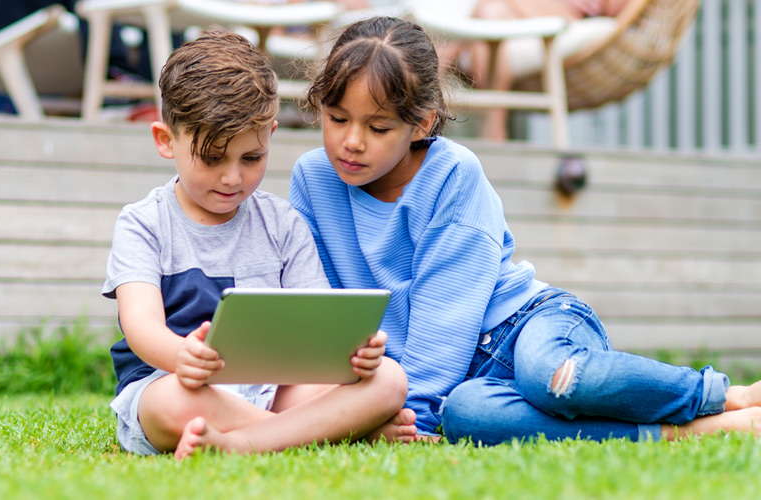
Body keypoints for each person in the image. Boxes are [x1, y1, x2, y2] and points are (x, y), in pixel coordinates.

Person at [288, 15, 761, 445]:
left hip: (527, 325)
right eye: (337, 119)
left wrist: (412, 418)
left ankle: (722, 397)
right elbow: (320, 306)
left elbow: (444, 320)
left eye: (378, 127)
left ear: (421, 124)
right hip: (468, 383)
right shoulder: (312, 180)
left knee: (550, 375)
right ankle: (681, 433)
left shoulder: (452, 174)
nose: (351, 141)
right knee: (470, 418)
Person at [102, 27, 414, 459]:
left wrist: (354, 351)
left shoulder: (283, 224)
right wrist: (182, 355)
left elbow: (319, 323)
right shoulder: (144, 223)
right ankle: (332, 431)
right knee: (175, 402)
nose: (233, 178)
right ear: (165, 140)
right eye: (212, 159)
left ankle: (242, 443)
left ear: (269, 134)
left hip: (271, 390)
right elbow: (141, 327)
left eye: (252, 158)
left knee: (389, 379)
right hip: (179, 386)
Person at [436, 0, 631, 141]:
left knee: (487, 9)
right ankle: (494, 129)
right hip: (512, 14)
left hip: (569, 15)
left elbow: (619, 8)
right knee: (492, 11)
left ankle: (423, 99)